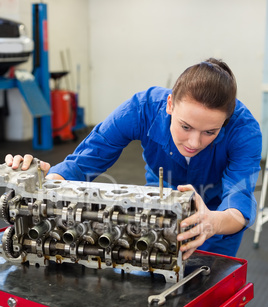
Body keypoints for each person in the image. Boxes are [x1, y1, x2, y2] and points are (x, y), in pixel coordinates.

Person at [5, 58, 262, 260]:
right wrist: (42, 183)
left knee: (207, 292)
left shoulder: (245, 131)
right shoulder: (142, 109)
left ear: (225, 122)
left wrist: (213, 222)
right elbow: (84, 161)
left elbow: (239, 205)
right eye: (185, 127)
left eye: (210, 132)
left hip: (214, 219)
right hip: (158, 205)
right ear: (170, 105)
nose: (194, 143)